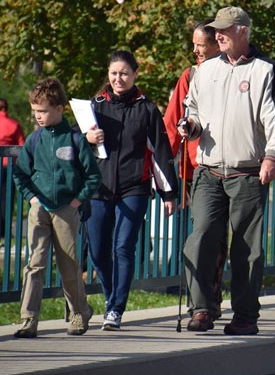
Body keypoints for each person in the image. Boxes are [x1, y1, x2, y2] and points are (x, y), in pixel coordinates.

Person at [178, 6, 275, 335]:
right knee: (200, 241)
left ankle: (244, 315)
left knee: (247, 251)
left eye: (224, 30)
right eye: (216, 30)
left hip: (248, 173)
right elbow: (193, 110)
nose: (218, 35)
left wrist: (272, 157)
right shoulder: (205, 69)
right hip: (209, 172)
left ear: (243, 31)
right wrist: (190, 125)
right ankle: (202, 309)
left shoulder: (265, 70)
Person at [84, 50, 179, 330]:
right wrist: (88, 138)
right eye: (114, 73)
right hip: (98, 187)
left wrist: (168, 193)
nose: (118, 78)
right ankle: (111, 295)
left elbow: (160, 153)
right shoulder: (96, 106)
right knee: (98, 252)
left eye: (124, 73)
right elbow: (76, 144)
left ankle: (115, 309)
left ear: (135, 74)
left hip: (134, 187)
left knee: (123, 247)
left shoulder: (147, 109)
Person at [13, 78, 101, 338]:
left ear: (60, 109)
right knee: (35, 264)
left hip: (66, 209)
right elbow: (21, 173)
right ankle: (29, 318)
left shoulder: (74, 139)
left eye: (43, 111)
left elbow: (93, 176)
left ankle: (78, 311)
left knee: (69, 265)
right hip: (39, 208)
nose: (38, 116)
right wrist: (31, 197)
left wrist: (78, 200)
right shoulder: (34, 139)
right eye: (35, 112)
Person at [163, 19, 227, 317]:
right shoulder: (190, 75)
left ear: (217, 44)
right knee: (202, 234)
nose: (196, 50)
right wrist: (164, 174)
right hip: (196, 169)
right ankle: (201, 304)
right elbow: (173, 123)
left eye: (201, 45)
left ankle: (212, 297)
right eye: (194, 44)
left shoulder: (233, 73)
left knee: (219, 239)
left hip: (231, 166)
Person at [0, 98, 25, 239]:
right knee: (6, 200)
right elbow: (22, 145)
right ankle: (4, 232)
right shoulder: (13, 125)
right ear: (5, 109)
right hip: (7, 166)